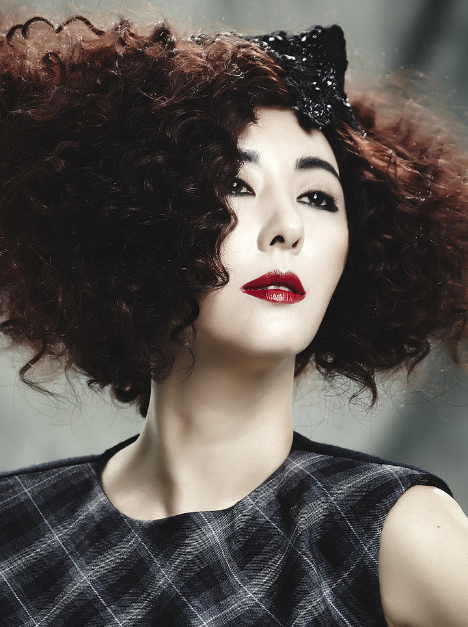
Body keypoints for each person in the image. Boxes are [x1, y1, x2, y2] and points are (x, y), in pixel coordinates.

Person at [0, 13, 468, 627]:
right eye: (236, 185)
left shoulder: (393, 531)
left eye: (318, 197)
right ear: (142, 221)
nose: (288, 227)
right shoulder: (16, 528)